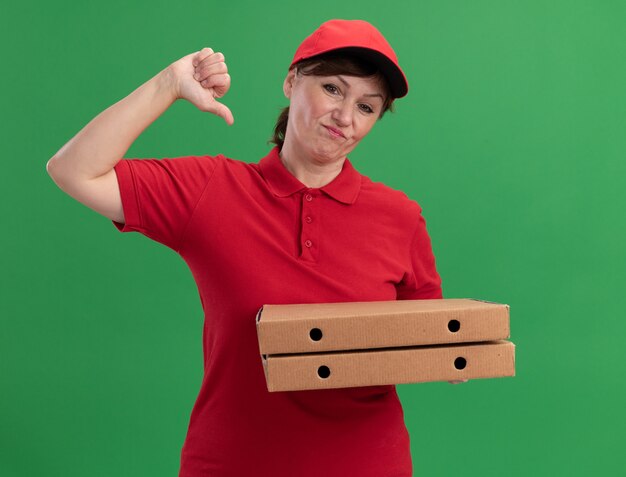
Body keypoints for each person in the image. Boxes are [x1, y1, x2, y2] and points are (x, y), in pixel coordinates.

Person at [47, 19, 452, 477]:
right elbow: (73, 170)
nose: (345, 117)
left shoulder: (399, 216)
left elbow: (432, 340)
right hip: (232, 462)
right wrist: (168, 85)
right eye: (333, 89)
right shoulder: (213, 191)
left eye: (366, 106)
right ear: (291, 81)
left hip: (365, 463)